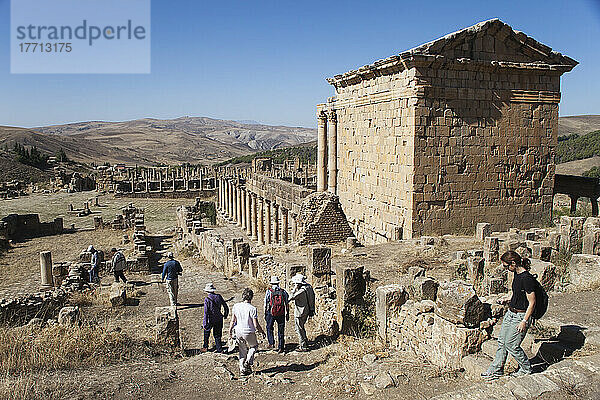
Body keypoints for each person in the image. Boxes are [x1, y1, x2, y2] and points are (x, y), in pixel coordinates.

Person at [482, 251, 536, 381]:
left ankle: (526, 368)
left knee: (512, 344)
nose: (506, 269)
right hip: (511, 313)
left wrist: (524, 321)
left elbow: (532, 302)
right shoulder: (516, 274)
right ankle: (497, 369)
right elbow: (518, 293)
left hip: (520, 316)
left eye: (506, 266)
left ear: (513, 263)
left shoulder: (527, 278)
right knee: (502, 342)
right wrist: (508, 298)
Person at [229, 288, 265, 376]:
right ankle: (248, 361)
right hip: (248, 331)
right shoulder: (252, 309)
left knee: (242, 350)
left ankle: (242, 369)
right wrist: (262, 332)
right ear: (251, 297)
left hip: (238, 330)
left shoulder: (236, 306)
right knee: (254, 346)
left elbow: (233, 320)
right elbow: (255, 324)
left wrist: (230, 331)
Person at [288, 273, 315, 352]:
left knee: (299, 329)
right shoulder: (309, 287)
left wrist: (294, 289)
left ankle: (303, 346)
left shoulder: (300, 292)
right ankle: (305, 341)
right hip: (307, 310)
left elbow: (290, 298)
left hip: (300, 312)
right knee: (302, 327)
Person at [264, 276, 289, 353]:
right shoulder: (283, 291)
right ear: (278, 283)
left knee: (269, 327)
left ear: (271, 283)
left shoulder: (269, 291)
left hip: (271, 312)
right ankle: (281, 346)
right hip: (281, 312)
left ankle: (271, 342)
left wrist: (265, 312)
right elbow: (287, 303)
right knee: (281, 330)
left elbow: (266, 303)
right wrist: (287, 313)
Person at [201, 283, 229, 353]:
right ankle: (219, 349)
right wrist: (225, 314)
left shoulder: (207, 299)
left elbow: (206, 312)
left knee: (206, 333)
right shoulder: (219, 296)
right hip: (219, 318)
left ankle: (205, 347)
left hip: (211, 319)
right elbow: (225, 306)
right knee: (217, 335)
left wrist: (204, 323)